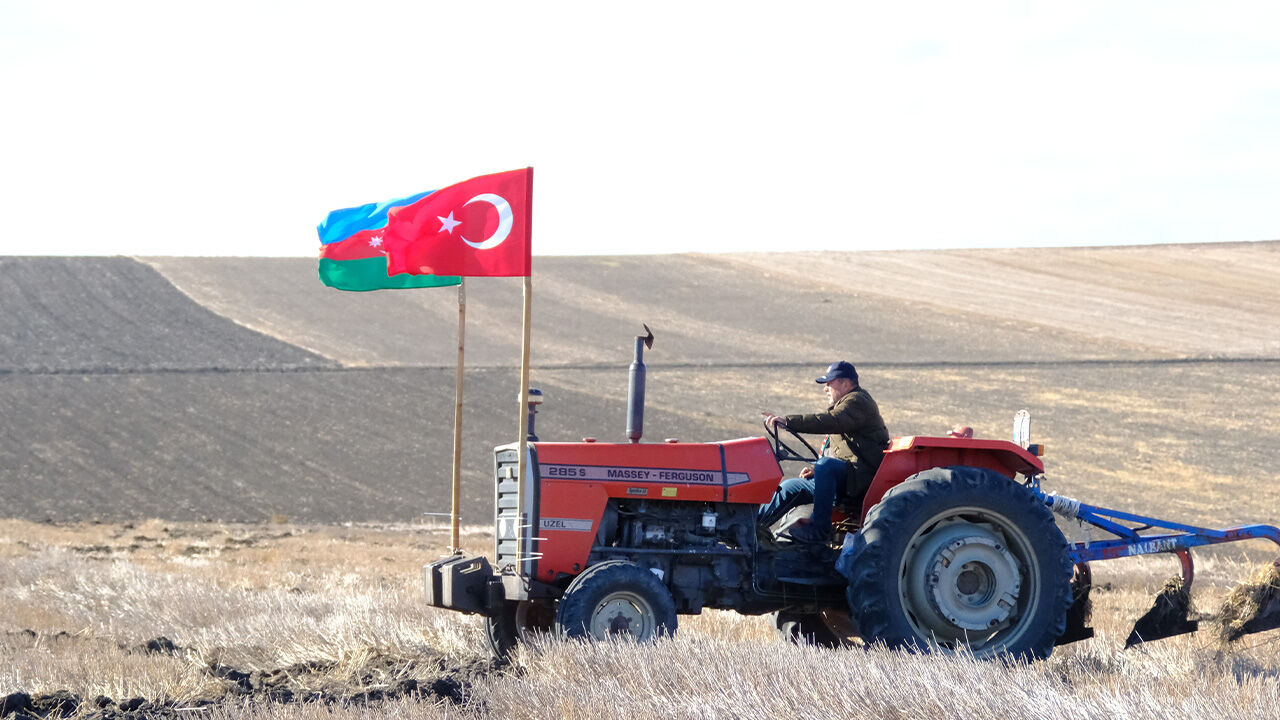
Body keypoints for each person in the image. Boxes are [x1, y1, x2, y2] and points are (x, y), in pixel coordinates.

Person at [758, 361, 890, 543]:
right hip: (845, 475)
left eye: (829, 383)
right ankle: (747, 527)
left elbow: (832, 421)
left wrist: (789, 422)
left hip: (860, 478)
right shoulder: (846, 406)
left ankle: (819, 529)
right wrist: (815, 469)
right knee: (790, 487)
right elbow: (842, 449)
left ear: (845, 383)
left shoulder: (858, 401)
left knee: (825, 466)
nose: (825, 388)